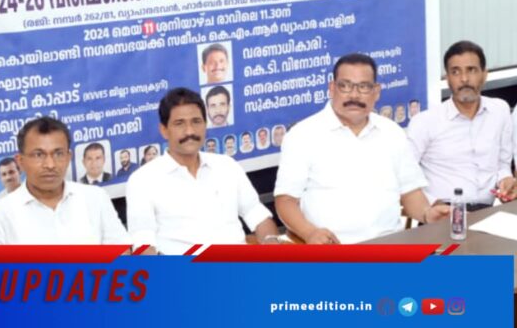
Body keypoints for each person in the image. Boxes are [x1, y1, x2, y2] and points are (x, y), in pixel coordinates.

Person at [274, 53, 448, 244]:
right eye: (345, 86)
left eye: (363, 87)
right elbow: (285, 200)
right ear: (332, 88)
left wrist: (427, 214)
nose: (354, 95)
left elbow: (410, 192)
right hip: (332, 249)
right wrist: (310, 233)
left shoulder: (392, 132)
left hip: (390, 245)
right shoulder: (302, 135)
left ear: (376, 92)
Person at [126, 88, 279, 255]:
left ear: (205, 125)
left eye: (196, 121)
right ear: (164, 130)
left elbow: (257, 215)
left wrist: (271, 244)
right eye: (179, 123)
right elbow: (143, 241)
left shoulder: (227, 166)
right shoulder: (143, 180)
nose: (190, 131)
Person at [0, 117, 129, 244]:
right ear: (20, 161)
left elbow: (122, 255)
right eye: (38, 155)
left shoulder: (96, 198)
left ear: (69, 157)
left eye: (58, 154)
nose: (50, 164)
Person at [407, 41, 516, 208]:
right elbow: (406, 176)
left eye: (471, 70)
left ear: (484, 74)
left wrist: (506, 181)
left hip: (485, 211)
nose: (464, 79)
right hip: (442, 210)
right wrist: (431, 205)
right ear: (447, 79)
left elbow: (503, 165)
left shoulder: (499, 110)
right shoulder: (425, 122)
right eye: (455, 72)